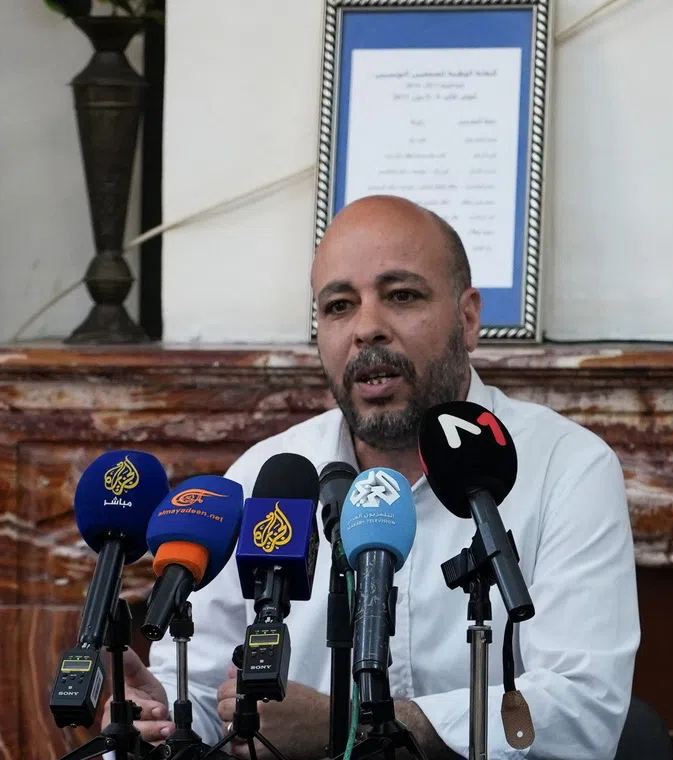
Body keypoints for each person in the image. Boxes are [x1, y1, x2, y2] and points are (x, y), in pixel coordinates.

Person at [108, 195, 641, 760]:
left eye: (401, 296)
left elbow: (581, 710)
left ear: (468, 318)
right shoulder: (267, 478)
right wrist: (158, 716)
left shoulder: (566, 468)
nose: (366, 329)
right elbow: (205, 689)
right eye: (339, 306)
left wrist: (348, 724)